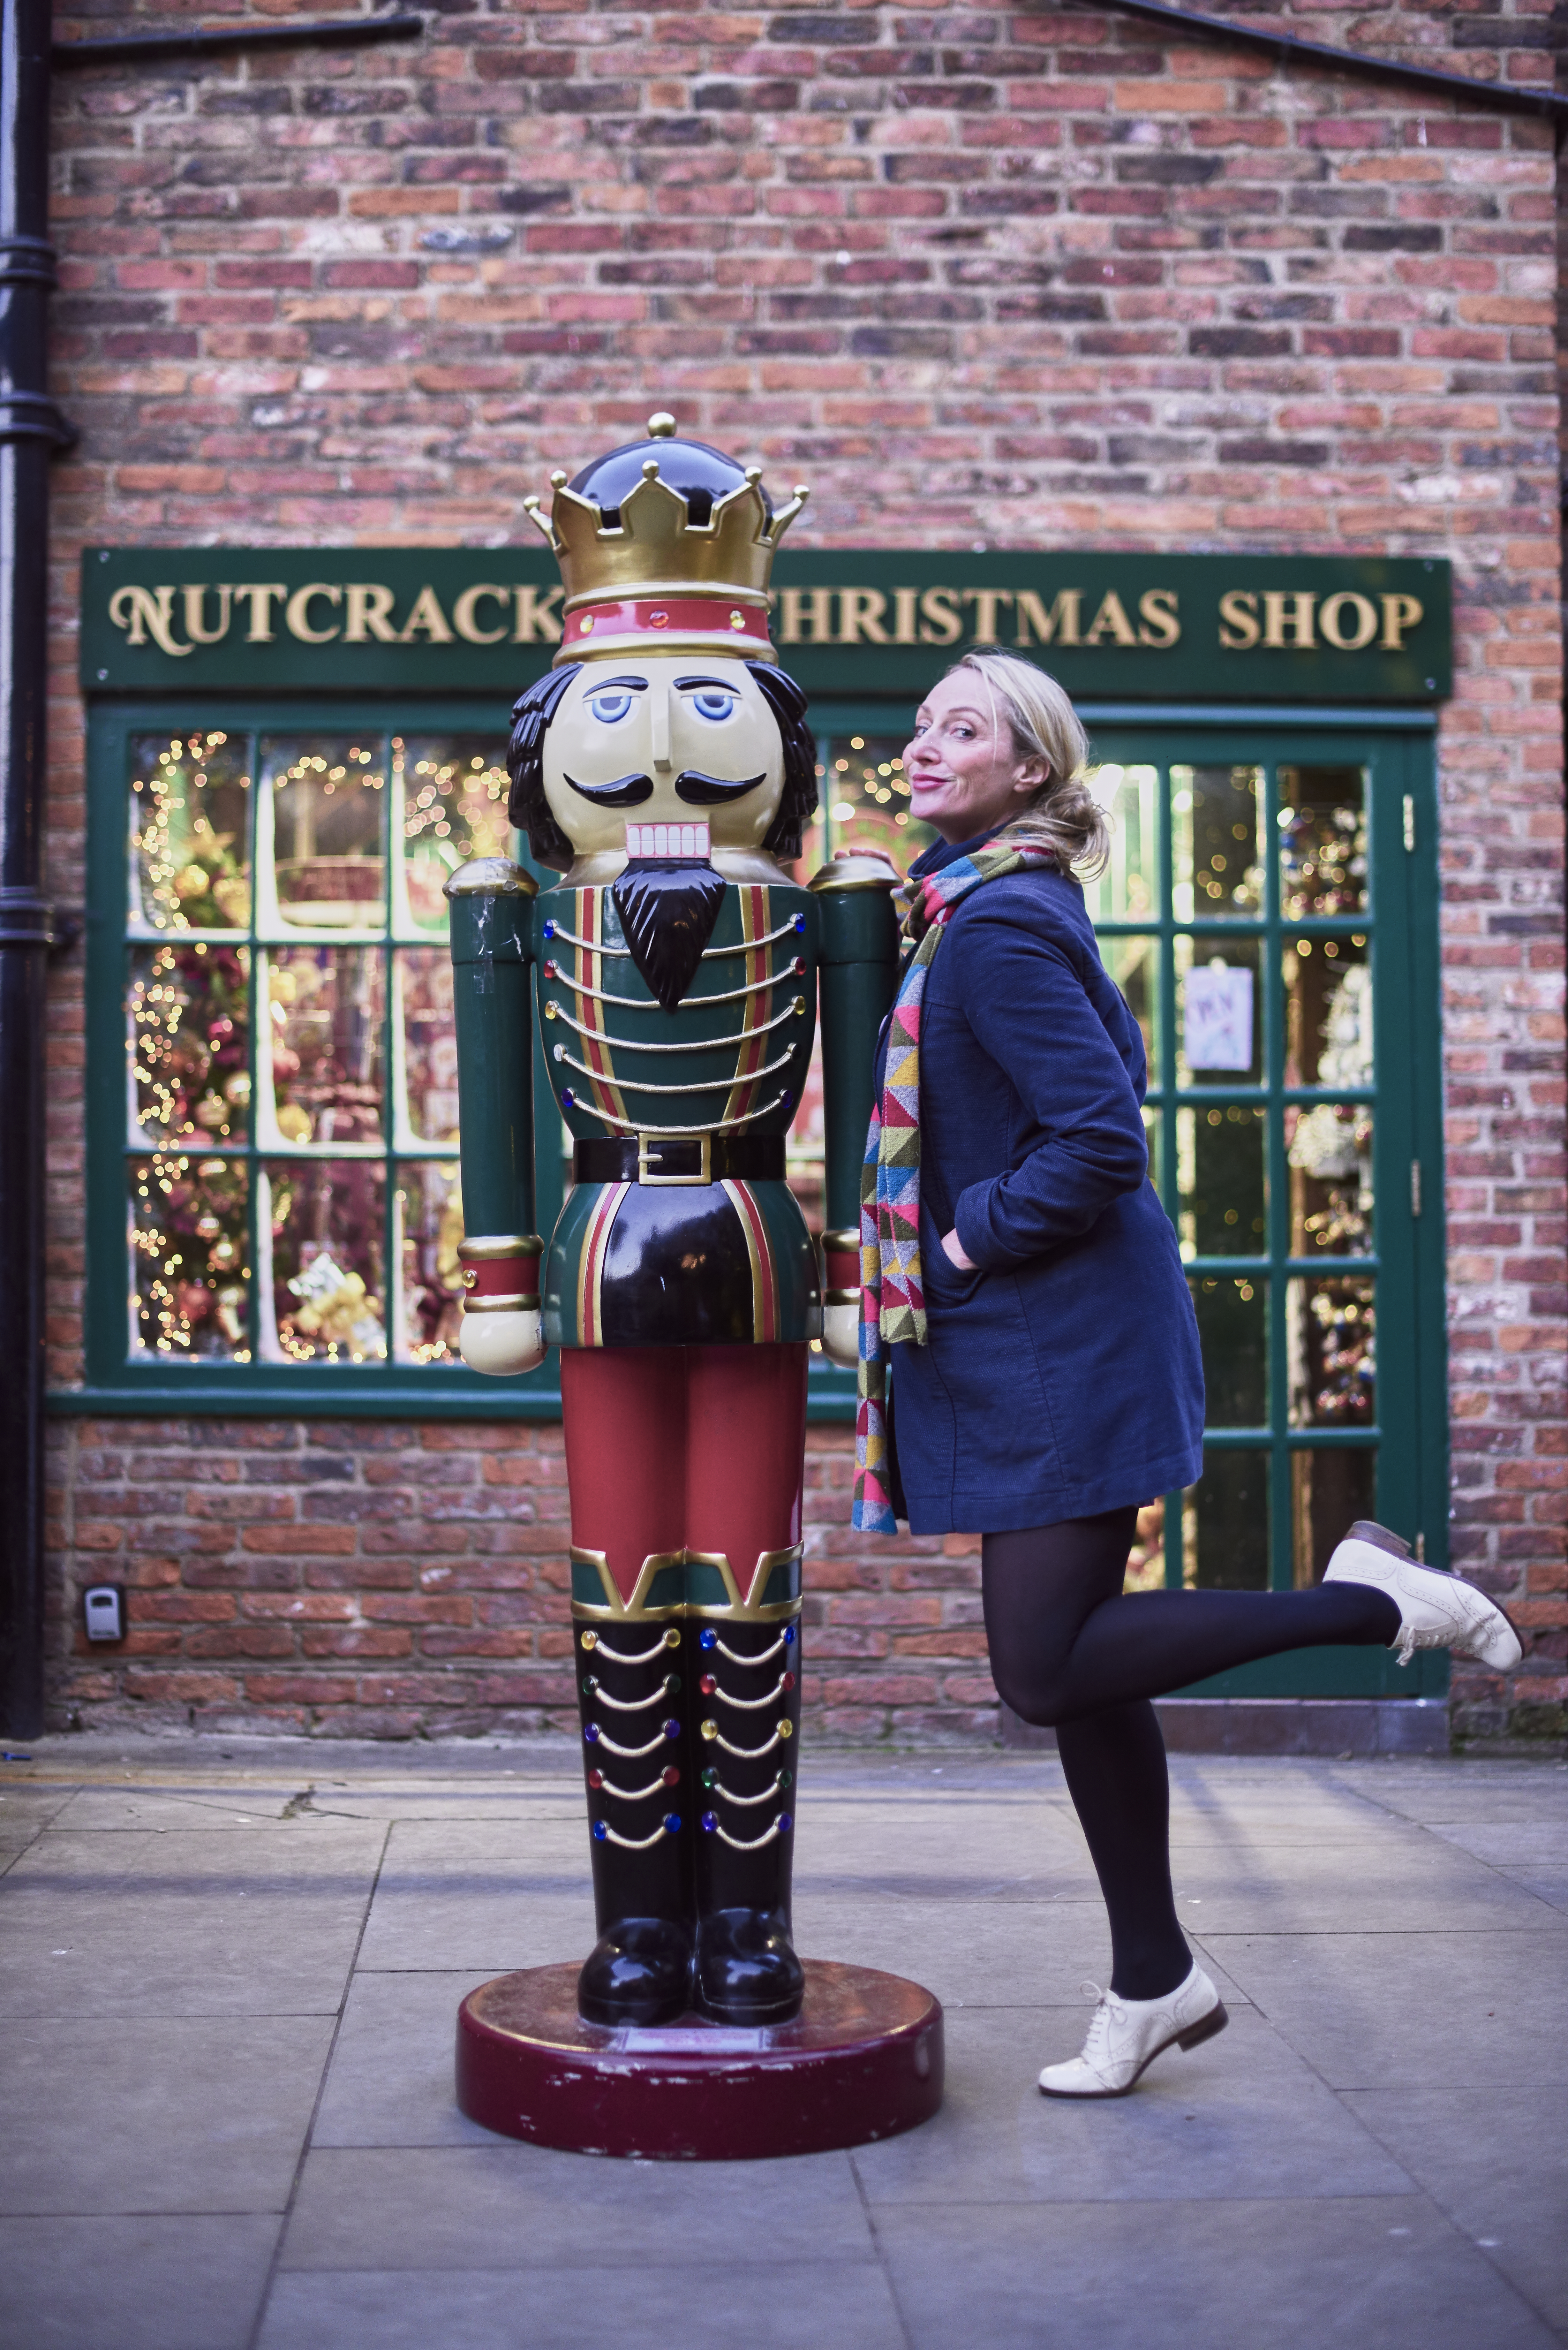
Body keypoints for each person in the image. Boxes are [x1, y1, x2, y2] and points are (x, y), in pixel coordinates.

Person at [852, 648, 1522, 2100]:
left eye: (960, 728)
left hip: (1052, 1343)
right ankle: (1154, 1979)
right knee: (1089, 1677)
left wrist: (959, 1245)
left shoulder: (995, 927)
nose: (922, 746)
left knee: (1044, 1672)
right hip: (1048, 1339)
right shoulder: (969, 907)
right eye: (919, 725)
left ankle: (1373, 1600)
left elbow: (1099, 1141)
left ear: (1030, 767)